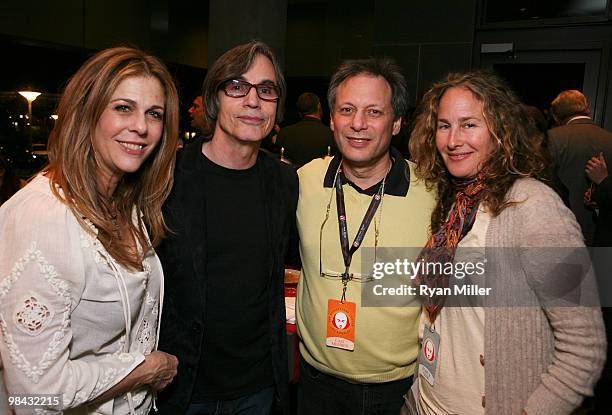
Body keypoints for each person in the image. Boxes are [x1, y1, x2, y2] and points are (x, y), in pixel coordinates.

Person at [404, 71, 606, 415]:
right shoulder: (455, 201)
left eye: (469, 124)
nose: (453, 140)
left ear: (500, 131)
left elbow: (584, 347)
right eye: (443, 125)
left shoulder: (534, 205)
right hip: (425, 401)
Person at [0, 46, 180, 414]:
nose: (142, 127)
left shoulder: (123, 203)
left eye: (154, 114)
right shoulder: (43, 218)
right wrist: (145, 369)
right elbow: (34, 395)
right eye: (123, 107)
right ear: (88, 112)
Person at [156, 41, 297, 415]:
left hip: (259, 388)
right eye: (237, 86)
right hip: (183, 388)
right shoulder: (167, 177)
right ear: (215, 99)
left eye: (266, 90)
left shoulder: (284, 181)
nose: (253, 101)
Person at [295, 58, 436, 415]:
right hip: (315, 384)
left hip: (396, 389)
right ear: (331, 118)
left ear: (397, 122)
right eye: (347, 110)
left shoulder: (433, 194)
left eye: (374, 111)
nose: (358, 124)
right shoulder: (302, 182)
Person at [547, 89, 612, 246]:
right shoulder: (609, 139)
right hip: (603, 231)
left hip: (559, 229)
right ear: (587, 108)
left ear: (556, 115)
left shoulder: (551, 138)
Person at [276, 92, 335, 166]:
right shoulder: (330, 134)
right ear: (318, 106)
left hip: (291, 177)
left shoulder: (285, 133)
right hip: (320, 177)